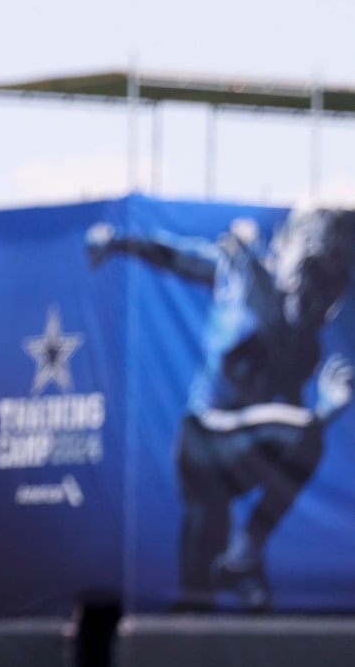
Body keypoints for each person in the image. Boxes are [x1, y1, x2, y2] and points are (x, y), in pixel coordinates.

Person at [89, 206, 355, 610]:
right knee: (305, 432)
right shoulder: (242, 272)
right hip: (204, 437)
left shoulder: (306, 348)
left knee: (198, 595)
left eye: (329, 286)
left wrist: (328, 409)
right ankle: (244, 556)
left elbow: (288, 450)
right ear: (286, 254)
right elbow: (176, 255)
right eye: (310, 272)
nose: (313, 294)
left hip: (237, 455)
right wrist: (118, 242)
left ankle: (236, 564)